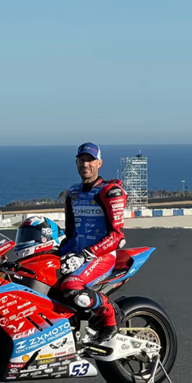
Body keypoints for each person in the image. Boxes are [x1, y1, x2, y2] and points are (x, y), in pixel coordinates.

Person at [58, 142, 128, 342]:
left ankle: (111, 316)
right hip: (76, 256)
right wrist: (54, 254)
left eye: (90, 160)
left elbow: (117, 236)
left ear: (99, 163)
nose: (85, 164)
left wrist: (84, 255)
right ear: (76, 163)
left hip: (102, 257)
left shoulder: (110, 191)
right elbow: (70, 234)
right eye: (81, 160)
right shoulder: (72, 193)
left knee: (72, 287)